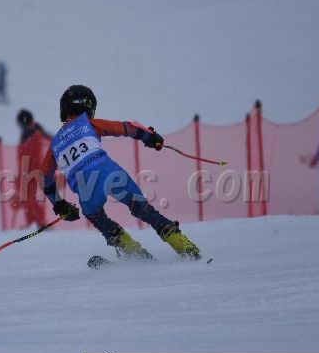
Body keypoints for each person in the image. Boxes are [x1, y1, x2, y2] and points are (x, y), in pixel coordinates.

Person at [39, 85, 201, 260]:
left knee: (96, 216)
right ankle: (183, 245)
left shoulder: (55, 144)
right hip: (110, 172)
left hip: (85, 187)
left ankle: (135, 255)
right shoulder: (88, 123)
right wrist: (149, 137)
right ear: (88, 105)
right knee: (144, 209)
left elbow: (43, 177)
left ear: (64, 108)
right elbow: (126, 127)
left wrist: (59, 204)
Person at [14, 109, 52, 228]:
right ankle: (33, 222)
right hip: (29, 169)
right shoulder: (33, 130)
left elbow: (27, 152)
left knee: (30, 197)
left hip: (32, 169)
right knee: (27, 197)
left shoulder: (32, 130)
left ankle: (39, 222)